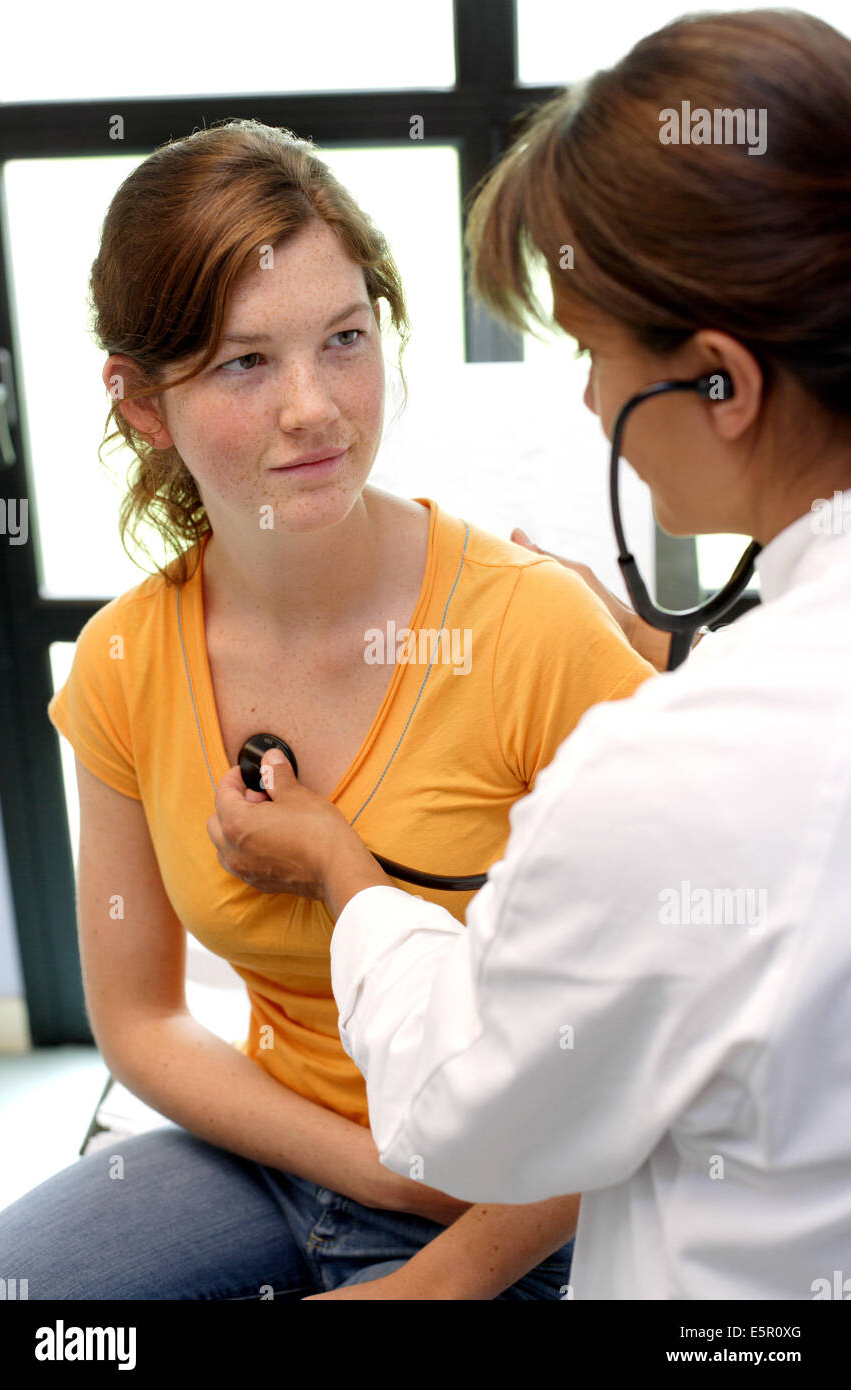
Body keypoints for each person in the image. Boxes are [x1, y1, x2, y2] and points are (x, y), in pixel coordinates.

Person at [206, 9, 851, 1299]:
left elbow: (465, 1104)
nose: (586, 399)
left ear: (718, 382)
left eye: (591, 351)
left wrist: (343, 867)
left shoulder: (675, 763)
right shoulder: (738, 720)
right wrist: (683, 683)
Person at [0, 118, 659, 1300]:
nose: (315, 408)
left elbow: (669, 1024)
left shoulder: (532, 629)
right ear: (141, 403)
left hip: (536, 1197)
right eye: (245, 363)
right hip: (282, 1153)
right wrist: (380, 1173)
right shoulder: (122, 663)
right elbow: (140, 1018)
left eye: (344, 340)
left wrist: (432, 1274)